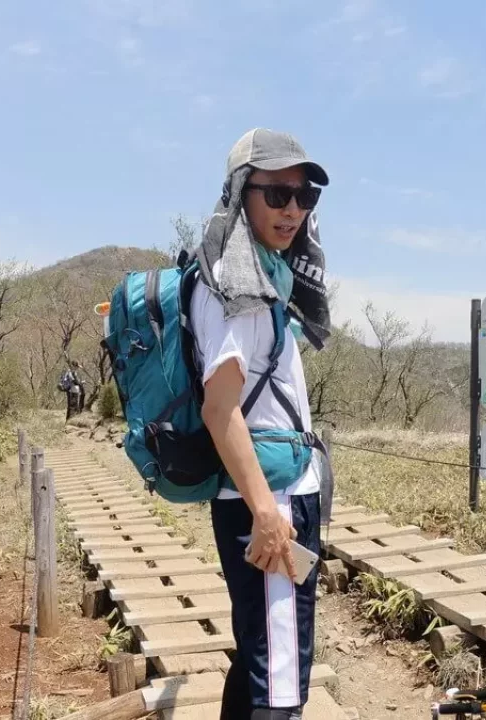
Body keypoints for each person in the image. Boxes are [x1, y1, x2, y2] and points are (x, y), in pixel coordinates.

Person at [190, 128, 332, 720]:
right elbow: (219, 411)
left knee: (262, 657)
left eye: (304, 196)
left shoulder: (261, 277)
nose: (293, 209)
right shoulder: (235, 288)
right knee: (278, 684)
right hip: (269, 499)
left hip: (276, 492)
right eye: (276, 194)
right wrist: (267, 514)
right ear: (240, 193)